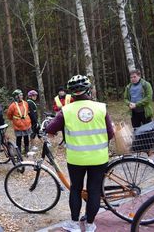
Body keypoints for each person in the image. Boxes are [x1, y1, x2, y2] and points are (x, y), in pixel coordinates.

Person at [46, 75, 114, 232]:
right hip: (99, 158)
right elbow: (110, 134)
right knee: (94, 190)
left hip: (76, 159)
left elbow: (50, 128)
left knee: (76, 189)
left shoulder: (66, 110)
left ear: (71, 93)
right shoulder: (101, 108)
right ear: (88, 90)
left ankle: (75, 224)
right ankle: (90, 225)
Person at [7, 89, 32, 155]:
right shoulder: (12, 106)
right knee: (19, 139)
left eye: (22, 95)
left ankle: (26, 151)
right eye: (20, 95)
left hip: (26, 124)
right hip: (18, 125)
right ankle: (19, 152)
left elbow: (27, 111)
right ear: (16, 96)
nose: (22, 96)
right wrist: (16, 120)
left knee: (26, 137)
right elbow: (9, 115)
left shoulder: (25, 103)